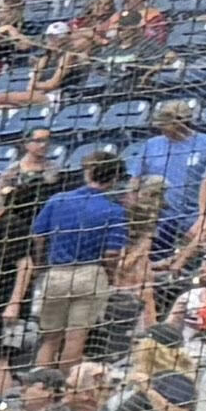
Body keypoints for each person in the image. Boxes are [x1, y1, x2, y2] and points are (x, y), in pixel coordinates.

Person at [26, 146, 142, 374]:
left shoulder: (58, 200)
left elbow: (38, 236)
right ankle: (67, 389)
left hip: (56, 273)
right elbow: (112, 254)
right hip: (91, 274)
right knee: (75, 339)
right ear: (115, 178)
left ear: (88, 173)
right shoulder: (113, 211)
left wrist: (39, 266)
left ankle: (38, 386)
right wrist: (110, 277)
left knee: (49, 339)